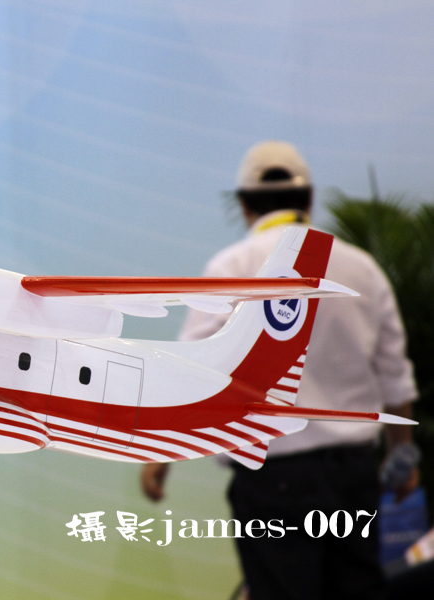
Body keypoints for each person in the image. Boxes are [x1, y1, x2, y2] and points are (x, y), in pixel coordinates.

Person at [140, 141, 419, 600]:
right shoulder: (362, 268)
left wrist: (160, 457)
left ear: (244, 205)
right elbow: (393, 374)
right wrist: (402, 455)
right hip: (352, 475)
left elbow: (189, 372)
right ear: (309, 199)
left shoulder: (232, 267)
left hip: (273, 481)